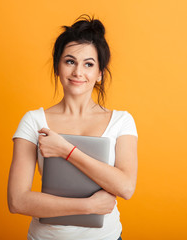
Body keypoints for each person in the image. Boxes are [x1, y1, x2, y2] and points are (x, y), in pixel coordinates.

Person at [7, 14, 138, 240]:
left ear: (99, 74)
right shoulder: (33, 121)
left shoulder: (121, 121)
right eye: (70, 61)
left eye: (88, 64)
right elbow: (17, 201)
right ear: (58, 66)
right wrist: (88, 206)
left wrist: (66, 151)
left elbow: (125, 188)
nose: (78, 72)